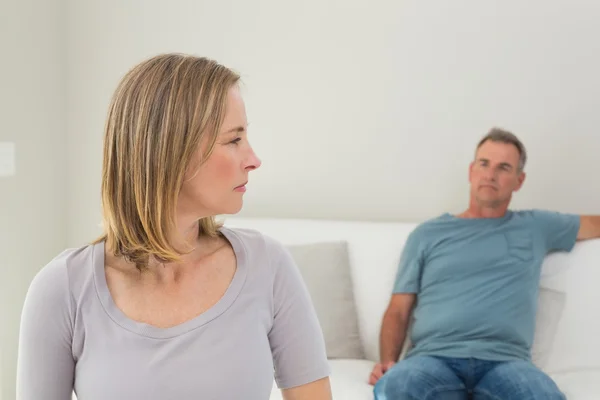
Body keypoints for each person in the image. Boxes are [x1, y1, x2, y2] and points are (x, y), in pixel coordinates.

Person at [16, 53, 332, 400]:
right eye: (233, 140)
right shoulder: (62, 289)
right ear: (169, 152)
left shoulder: (268, 266)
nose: (253, 160)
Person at [369, 128, 600, 399]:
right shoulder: (427, 234)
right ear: (471, 171)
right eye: (484, 164)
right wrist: (388, 362)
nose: (490, 175)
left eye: (503, 167)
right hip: (432, 359)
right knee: (394, 388)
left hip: (507, 363)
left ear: (519, 180)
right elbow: (398, 309)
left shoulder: (536, 226)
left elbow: (594, 224)